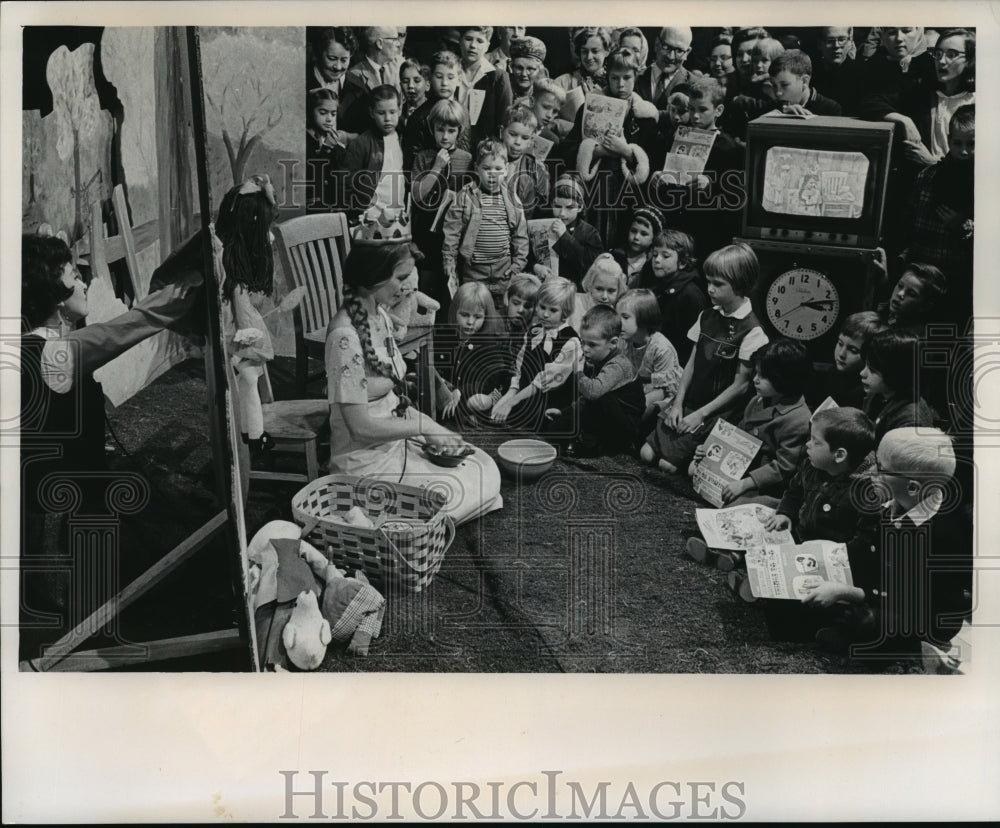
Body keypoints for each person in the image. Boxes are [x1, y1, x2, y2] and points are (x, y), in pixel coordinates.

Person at [20, 233, 203, 659]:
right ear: (53, 292)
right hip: (60, 522)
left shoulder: (41, 348)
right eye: (72, 274)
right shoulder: (50, 356)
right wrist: (188, 282)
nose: (84, 282)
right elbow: (129, 327)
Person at [324, 239, 502, 526]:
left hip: (393, 447)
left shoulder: (380, 314)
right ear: (373, 277)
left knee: (482, 466)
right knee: (469, 487)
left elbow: (389, 400)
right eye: (402, 278)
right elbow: (359, 427)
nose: (408, 287)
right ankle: (392, 520)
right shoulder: (345, 338)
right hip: (366, 465)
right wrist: (423, 426)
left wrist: (432, 430)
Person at [804, 427, 971, 668]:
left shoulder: (941, 537)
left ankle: (916, 653)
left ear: (912, 487)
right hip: (888, 588)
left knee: (864, 626)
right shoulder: (900, 502)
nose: (872, 471)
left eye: (881, 468)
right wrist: (833, 551)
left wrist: (850, 593)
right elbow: (873, 551)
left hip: (923, 612)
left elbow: (908, 600)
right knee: (827, 606)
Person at [642, 242, 768, 473]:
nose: (710, 289)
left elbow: (740, 387)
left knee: (666, 465)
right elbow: (690, 364)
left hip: (718, 410)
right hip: (690, 400)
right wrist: (678, 403)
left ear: (740, 284)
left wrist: (700, 414)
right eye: (709, 281)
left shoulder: (752, 331)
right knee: (646, 453)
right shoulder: (706, 316)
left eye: (718, 284)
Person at [686, 338, 812, 510]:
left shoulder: (798, 419)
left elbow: (784, 468)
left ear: (783, 379)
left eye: (763, 376)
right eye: (756, 373)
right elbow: (737, 436)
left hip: (765, 484)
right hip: (740, 466)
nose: (755, 379)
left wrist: (746, 483)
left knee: (735, 506)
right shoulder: (758, 400)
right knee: (694, 470)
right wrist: (710, 449)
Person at [568, 47, 658, 249]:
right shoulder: (589, 106)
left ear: (636, 76)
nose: (621, 84)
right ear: (607, 76)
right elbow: (567, 148)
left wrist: (626, 151)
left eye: (627, 77)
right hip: (594, 189)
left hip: (629, 194)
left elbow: (654, 157)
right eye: (615, 78)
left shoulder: (645, 115)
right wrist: (596, 151)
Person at [901, 103, 974, 324]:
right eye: (957, 143)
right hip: (923, 276)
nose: (963, 151)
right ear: (949, 140)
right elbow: (909, 222)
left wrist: (965, 226)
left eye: (972, 144)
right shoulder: (928, 176)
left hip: (960, 279)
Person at [441, 138, 529, 310]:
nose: (492, 174)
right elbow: (452, 230)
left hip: (503, 271)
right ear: (476, 168)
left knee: (500, 314)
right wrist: (448, 260)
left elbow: (520, 234)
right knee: (473, 311)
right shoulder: (465, 196)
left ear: (507, 170)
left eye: (498, 169)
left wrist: (517, 265)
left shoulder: (512, 198)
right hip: (474, 271)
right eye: (486, 168)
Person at [491, 276, 580, 434]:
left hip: (553, 401)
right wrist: (509, 396)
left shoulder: (571, 341)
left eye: (553, 310)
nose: (545, 314)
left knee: (536, 425)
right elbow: (520, 370)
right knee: (495, 413)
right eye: (542, 307)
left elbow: (543, 381)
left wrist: (512, 403)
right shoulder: (533, 332)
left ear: (565, 313)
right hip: (527, 395)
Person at [409, 98, 474, 314]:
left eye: (451, 130)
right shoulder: (424, 157)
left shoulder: (467, 159)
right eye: (440, 129)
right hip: (427, 237)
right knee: (427, 293)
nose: (445, 136)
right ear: (432, 128)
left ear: (460, 131)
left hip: (453, 239)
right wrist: (436, 167)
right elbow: (417, 196)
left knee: (450, 297)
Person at [556, 304, 645, 458]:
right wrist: (564, 413)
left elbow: (592, 393)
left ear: (613, 343)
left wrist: (578, 371)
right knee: (555, 426)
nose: (585, 349)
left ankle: (594, 445)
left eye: (592, 344)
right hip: (610, 417)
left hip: (625, 429)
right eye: (583, 342)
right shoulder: (600, 357)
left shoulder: (618, 365)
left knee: (600, 395)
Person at [431, 282, 510, 426]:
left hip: (473, 394)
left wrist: (460, 391)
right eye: (464, 315)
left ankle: (469, 416)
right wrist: (448, 387)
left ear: (486, 316)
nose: (470, 322)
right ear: (455, 311)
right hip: (447, 393)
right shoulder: (445, 336)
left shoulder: (489, 343)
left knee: (475, 402)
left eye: (477, 317)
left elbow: (489, 381)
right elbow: (437, 367)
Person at [632, 228, 708, 365]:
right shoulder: (655, 284)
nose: (657, 260)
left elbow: (691, 345)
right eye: (655, 255)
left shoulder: (690, 295)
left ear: (682, 262)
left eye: (665, 256)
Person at [860, 329, 938, 445]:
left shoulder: (910, 422)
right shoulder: (879, 393)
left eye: (872, 370)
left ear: (896, 374)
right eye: (865, 365)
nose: (862, 373)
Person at [616, 288, 683, 421]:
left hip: (662, 394)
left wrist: (635, 402)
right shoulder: (623, 340)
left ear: (644, 317)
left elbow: (664, 389)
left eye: (625, 317)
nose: (618, 322)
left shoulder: (661, 348)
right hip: (635, 388)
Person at [341, 85, 406, 218]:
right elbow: (347, 183)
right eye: (381, 113)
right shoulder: (361, 143)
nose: (387, 118)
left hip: (398, 215)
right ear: (371, 112)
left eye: (392, 112)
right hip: (370, 216)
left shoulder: (404, 138)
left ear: (400, 110)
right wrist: (356, 213)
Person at [531, 175, 602, 288]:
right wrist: (535, 267)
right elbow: (529, 255)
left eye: (569, 208)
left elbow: (590, 264)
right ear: (551, 204)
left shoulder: (590, 233)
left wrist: (565, 236)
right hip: (546, 289)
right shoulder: (541, 226)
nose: (562, 213)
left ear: (580, 207)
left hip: (576, 291)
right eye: (557, 206)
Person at [403, 50, 471, 166]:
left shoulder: (463, 112)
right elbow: (411, 163)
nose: (444, 83)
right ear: (430, 78)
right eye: (439, 77)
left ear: (459, 79)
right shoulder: (419, 117)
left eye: (450, 77)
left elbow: (466, 147)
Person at [810, 311, 887, 410]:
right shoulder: (824, 375)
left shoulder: (867, 394)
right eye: (840, 343)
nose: (842, 354)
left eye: (853, 350)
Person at [457, 26, 514, 149]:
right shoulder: (451, 73)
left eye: (479, 41)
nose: (473, 45)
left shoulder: (498, 78)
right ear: (460, 41)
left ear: (487, 46)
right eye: (468, 39)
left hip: (484, 151)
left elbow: (504, 121)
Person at [307, 27, 365, 138]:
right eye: (332, 58)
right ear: (318, 53)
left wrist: (349, 138)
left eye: (344, 60)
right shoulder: (300, 81)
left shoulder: (358, 86)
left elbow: (366, 131)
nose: (338, 67)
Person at [636, 26, 694, 129]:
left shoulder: (694, 85)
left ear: (687, 52)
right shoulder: (633, 79)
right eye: (666, 47)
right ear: (657, 44)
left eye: (679, 51)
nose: (671, 56)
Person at [554, 27, 615, 122]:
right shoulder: (562, 82)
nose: (589, 57)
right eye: (584, 51)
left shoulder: (616, 81)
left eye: (595, 51)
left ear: (607, 51)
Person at [500, 103, 549, 218]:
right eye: (512, 134)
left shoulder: (536, 170)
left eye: (525, 138)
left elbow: (540, 208)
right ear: (502, 132)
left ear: (531, 140)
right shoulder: (488, 158)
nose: (518, 142)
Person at [305, 87, 347, 213]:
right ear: (310, 112)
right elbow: (311, 175)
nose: (329, 119)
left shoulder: (333, 142)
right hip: (310, 210)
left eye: (333, 114)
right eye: (323, 113)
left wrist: (337, 149)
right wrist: (326, 149)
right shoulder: (304, 141)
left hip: (331, 209)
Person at [810, 26, 865, 115]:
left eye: (842, 39)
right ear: (820, 44)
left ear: (850, 43)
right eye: (830, 40)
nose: (836, 45)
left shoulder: (863, 73)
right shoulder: (811, 72)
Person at [568, 252, 627, 332]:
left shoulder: (615, 315)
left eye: (611, 291)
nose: (604, 296)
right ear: (590, 285)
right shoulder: (572, 302)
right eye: (599, 289)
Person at [611, 206, 662, 287]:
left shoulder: (653, 264)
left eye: (644, 234)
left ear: (654, 238)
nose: (636, 237)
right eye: (633, 231)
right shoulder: (614, 256)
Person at [508, 36, 549, 100]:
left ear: (539, 70)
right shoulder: (501, 92)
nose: (524, 74)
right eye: (519, 68)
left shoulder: (544, 97)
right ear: (511, 66)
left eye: (530, 69)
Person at [398, 58, 429, 132]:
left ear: (427, 85)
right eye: (405, 81)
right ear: (401, 86)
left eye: (417, 81)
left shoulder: (434, 112)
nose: (411, 85)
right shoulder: (397, 114)